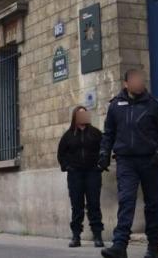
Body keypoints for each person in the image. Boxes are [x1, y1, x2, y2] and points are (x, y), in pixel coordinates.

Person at [98, 69, 158, 258]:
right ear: (126, 84)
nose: (140, 83)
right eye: (135, 80)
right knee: (126, 201)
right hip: (126, 161)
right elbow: (109, 133)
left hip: (149, 160)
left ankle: (153, 247)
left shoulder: (154, 105)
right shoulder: (115, 105)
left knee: (152, 204)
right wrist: (104, 153)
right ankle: (120, 245)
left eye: (141, 80)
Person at [57, 106, 104, 248]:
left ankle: (97, 235)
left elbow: (104, 149)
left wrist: (100, 165)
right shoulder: (68, 135)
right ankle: (76, 236)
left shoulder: (95, 133)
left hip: (92, 173)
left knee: (94, 204)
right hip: (75, 174)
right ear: (75, 117)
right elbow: (61, 154)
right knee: (77, 206)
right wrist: (67, 167)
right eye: (80, 114)